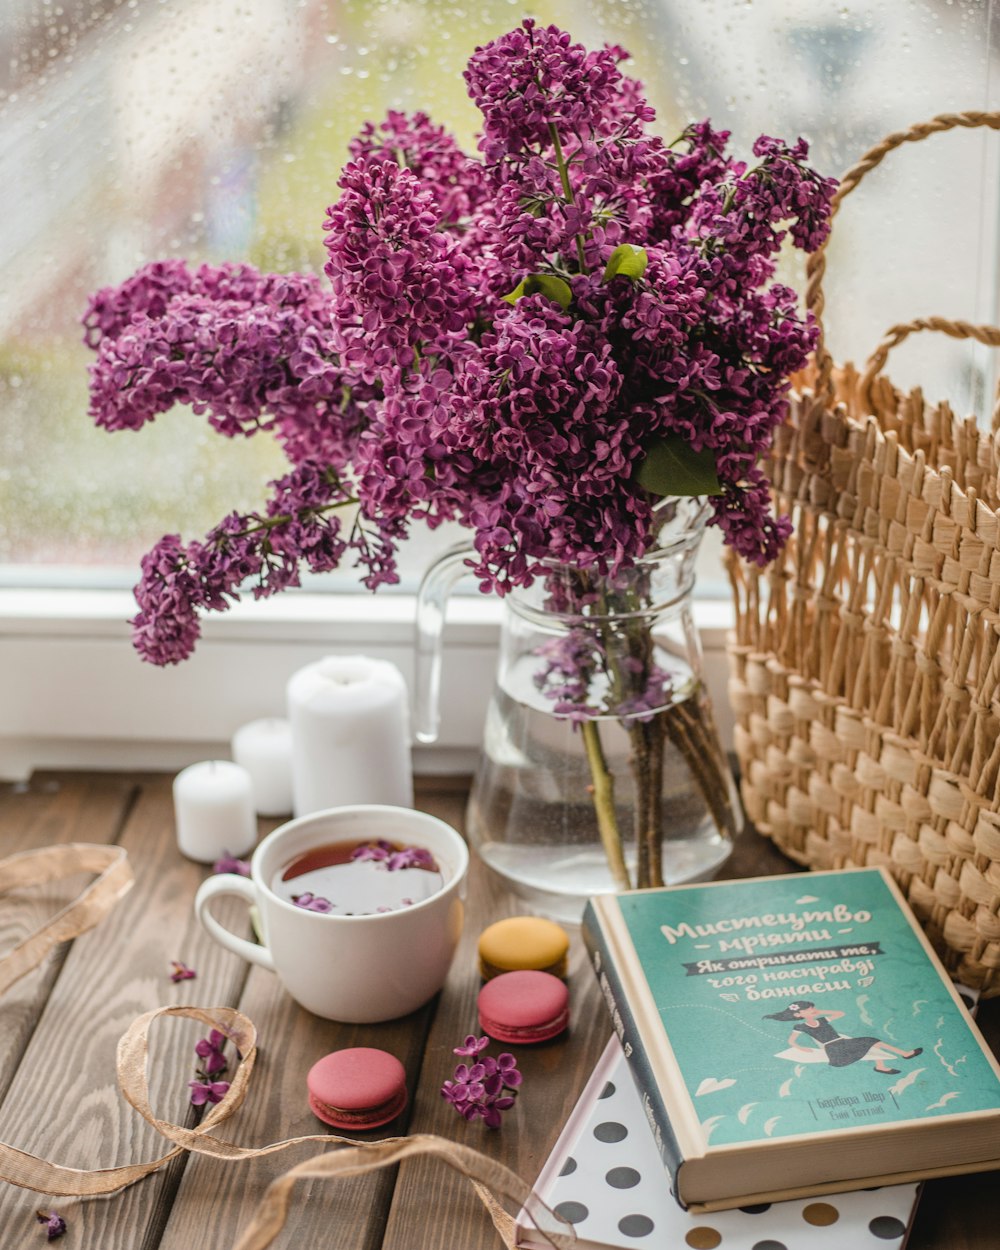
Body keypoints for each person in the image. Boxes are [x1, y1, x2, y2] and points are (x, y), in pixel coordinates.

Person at [764, 1000, 922, 1074]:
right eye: (810, 1009)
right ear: (799, 1014)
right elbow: (791, 1041)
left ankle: (899, 1056)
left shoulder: (822, 1019)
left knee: (870, 1041)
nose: (813, 1010)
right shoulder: (801, 1026)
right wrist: (801, 1048)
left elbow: (840, 1013)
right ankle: (884, 1064)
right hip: (834, 1048)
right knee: (868, 1044)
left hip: (843, 1042)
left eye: (813, 1008)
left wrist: (821, 1011)